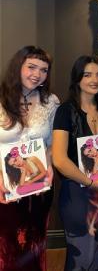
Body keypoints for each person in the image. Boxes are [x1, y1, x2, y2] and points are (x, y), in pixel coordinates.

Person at [0, 46, 59, 271]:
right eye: (31, 67)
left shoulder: (51, 101)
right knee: (6, 247)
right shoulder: (1, 98)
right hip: (4, 187)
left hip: (38, 186)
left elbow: (52, 143)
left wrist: (50, 165)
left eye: (43, 70)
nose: (37, 74)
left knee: (34, 244)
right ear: (18, 67)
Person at [52, 55, 98, 270]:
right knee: (81, 258)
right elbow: (59, 159)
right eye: (87, 75)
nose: (94, 80)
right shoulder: (65, 111)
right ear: (77, 78)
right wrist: (90, 182)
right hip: (77, 194)